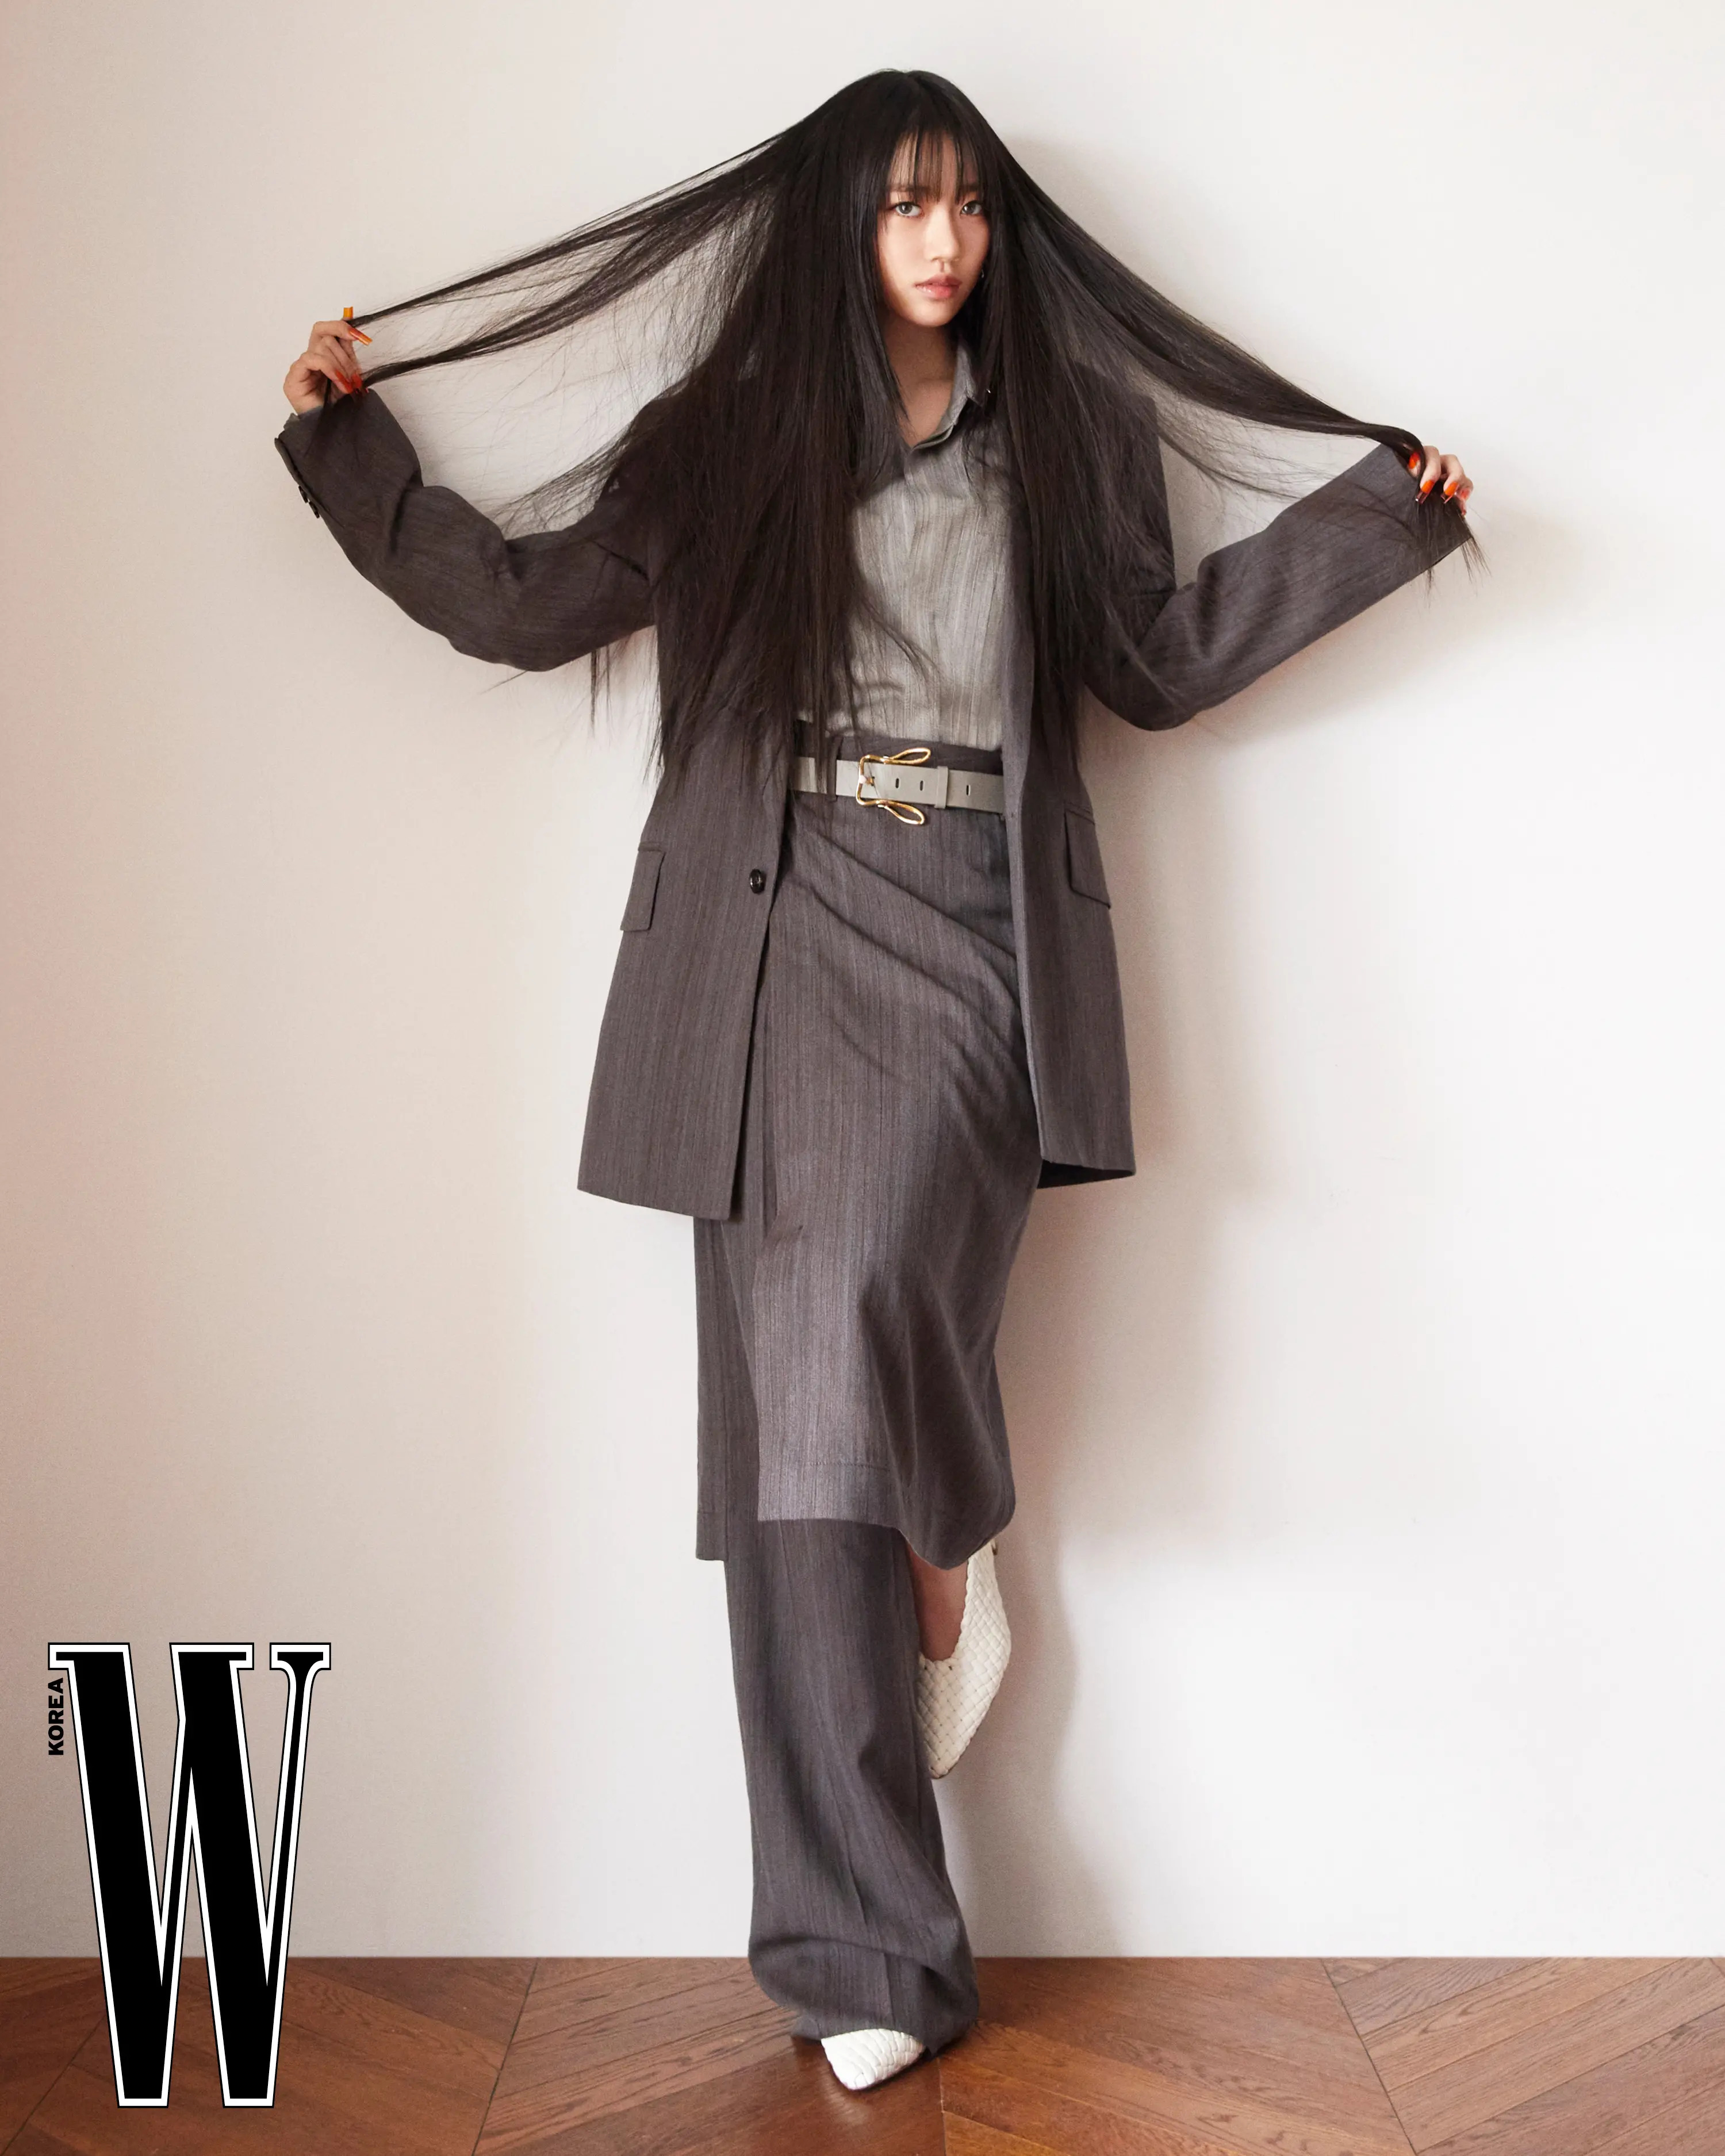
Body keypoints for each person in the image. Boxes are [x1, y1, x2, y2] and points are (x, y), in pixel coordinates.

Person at [274, 68, 1474, 2092]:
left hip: (972, 936)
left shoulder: (1066, 440)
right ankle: (863, 1951)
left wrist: (1384, 520)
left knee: (844, 1375)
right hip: (771, 932)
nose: (946, 240)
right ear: (843, 222)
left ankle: (943, 1543)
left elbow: (1159, 657)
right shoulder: (730, 437)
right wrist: (345, 447)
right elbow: (525, 604)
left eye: (972, 207)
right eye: (911, 205)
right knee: (786, 1468)